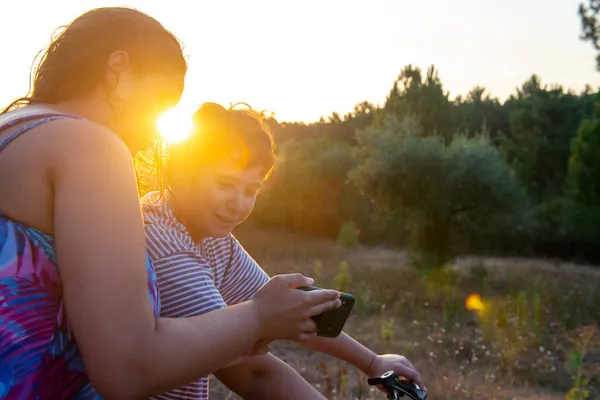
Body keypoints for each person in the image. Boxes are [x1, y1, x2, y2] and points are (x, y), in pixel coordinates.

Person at [0, 8, 340, 399]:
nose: (151, 135)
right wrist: (257, 317)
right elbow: (128, 367)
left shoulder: (15, 131)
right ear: (118, 68)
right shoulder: (90, 146)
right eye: (160, 105)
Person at [141, 102, 427, 400]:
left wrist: (372, 362)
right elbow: (251, 369)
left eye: (250, 190)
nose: (238, 203)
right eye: (225, 184)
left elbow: (287, 310)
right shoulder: (164, 242)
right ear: (179, 174)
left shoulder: (211, 237)